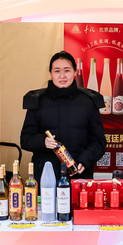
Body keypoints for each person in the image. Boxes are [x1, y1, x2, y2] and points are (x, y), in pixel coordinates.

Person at [20, 51, 106, 182]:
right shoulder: (37, 101)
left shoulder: (88, 101)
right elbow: (25, 139)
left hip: (79, 173)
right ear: (50, 73)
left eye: (67, 70)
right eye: (57, 71)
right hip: (46, 175)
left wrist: (85, 160)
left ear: (75, 72)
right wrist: (42, 141)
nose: (62, 76)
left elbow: (99, 141)